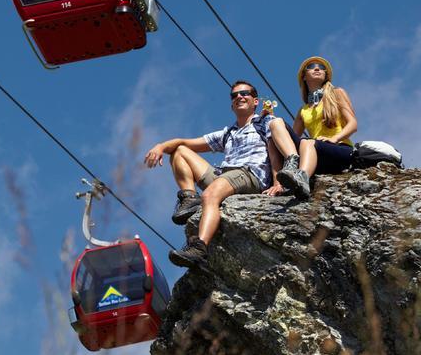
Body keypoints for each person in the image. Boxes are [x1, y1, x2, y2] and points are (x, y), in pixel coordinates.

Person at [144, 80, 283, 268]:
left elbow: (275, 155)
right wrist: (160, 146)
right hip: (225, 176)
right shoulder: (228, 132)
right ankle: (189, 197)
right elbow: (183, 142)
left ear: (255, 101)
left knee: (210, 194)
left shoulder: (265, 122)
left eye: (244, 93)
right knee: (180, 151)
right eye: (234, 96)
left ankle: (199, 248)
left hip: (250, 174)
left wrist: (278, 183)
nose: (239, 97)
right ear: (232, 104)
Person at [267, 56, 357, 199]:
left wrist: (334, 139)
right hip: (315, 156)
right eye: (312, 66)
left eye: (322, 68)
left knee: (307, 141)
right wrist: (266, 118)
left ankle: (302, 179)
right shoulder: (303, 111)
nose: (317, 68)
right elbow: (287, 141)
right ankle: (288, 169)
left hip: (340, 150)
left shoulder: (336, 94)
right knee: (275, 125)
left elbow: (353, 124)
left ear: (326, 75)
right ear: (304, 76)